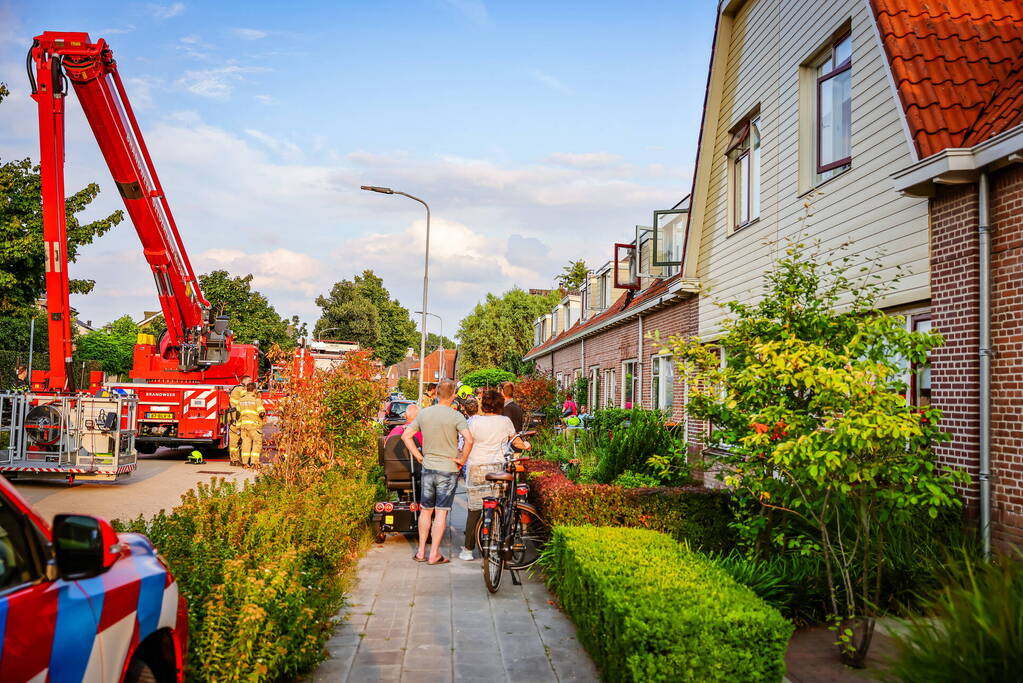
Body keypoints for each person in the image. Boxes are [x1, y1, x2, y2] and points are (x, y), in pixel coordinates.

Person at [402, 379, 474, 564]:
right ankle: (434, 554)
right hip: (448, 469)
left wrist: (419, 456)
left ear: (436, 394)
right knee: (441, 512)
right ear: (453, 395)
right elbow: (469, 440)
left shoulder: (424, 413)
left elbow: (406, 436)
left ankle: (420, 552)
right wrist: (462, 460)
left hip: (428, 467)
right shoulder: (456, 416)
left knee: (426, 510)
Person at [459, 390, 530, 561]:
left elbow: (466, 443)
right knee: (499, 505)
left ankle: (468, 550)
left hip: (476, 467)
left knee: (475, 509)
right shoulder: (505, 421)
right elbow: (516, 441)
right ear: (500, 405)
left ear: (483, 404)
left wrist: (461, 460)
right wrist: (527, 445)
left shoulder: (473, 421)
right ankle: (496, 542)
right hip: (498, 468)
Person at [237, 382, 266, 468]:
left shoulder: (241, 400)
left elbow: (238, 415)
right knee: (256, 444)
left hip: (244, 426)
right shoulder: (256, 400)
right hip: (254, 426)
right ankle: (254, 462)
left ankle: (245, 463)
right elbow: (261, 413)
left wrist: (238, 427)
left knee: (245, 444)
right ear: (254, 390)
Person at [228, 374, 252, 466]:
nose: (251, 382)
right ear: (244, 381)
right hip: (236, 419)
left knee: (243, 440)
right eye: (249, 381)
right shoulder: (239, 389)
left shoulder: (243, 389)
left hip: (242, 419)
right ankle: (234, 460)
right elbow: (247, 398)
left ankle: (242, 459)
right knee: (235, 440)